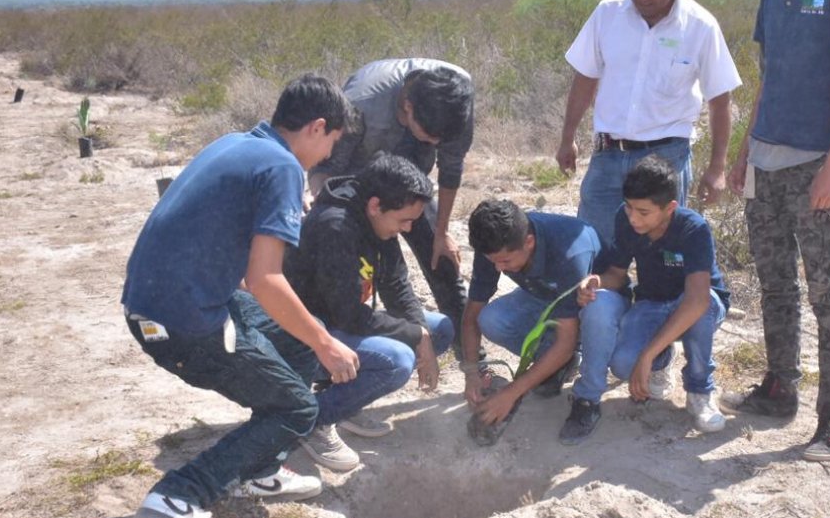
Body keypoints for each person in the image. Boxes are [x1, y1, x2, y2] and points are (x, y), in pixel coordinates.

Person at [122, 74, 357, 518]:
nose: (329, 155)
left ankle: (260, 471)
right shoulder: (283, 168)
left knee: (298, 341)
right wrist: (329, 344)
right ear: (316, 127)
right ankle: (178, 496)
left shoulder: (238, 143)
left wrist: (314, 338)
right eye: (332, 141)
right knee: (297, 406)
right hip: (181, 320)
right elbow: (265, 281)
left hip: (162, 299)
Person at [725, 0, 830, 463]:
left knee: (826, 293)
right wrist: (745, 153)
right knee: (775, 285)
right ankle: (778, 388)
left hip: (814, 165)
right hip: (764, 165)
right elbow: (768, 80)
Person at [556, 0, 742, 245]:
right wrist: (567, 138)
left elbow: (720, 99)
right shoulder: (607, 14)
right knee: (594, 247)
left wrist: (717, 167)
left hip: (668, 156)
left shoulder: (700, 26)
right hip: (608, 153)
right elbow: (585, 79)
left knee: (664, 253)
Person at [284, 154, 455, 471]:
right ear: (376, 205)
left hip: (342, 320)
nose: (408, 228)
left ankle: (345, 399)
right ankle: (311, 421)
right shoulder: (334, 228)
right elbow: (347, 314)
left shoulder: (376, 220)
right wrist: (414, 335)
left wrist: (423, 334)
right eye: (404, 220)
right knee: (396, 362)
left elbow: (397, 285)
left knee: (440, 329)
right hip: (307, 335)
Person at [311, 59, 477, 361]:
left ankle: (472, 360)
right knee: (373, 270)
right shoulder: (360, 105)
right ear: (408, 108)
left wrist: (441, 232)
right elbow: (326, 168)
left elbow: (451, 170)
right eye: (429, 136)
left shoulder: (457, 95)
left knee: (442, 261)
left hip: (413, 186)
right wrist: (335, 221)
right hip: (360, 187)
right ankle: (342, 355)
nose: (436, 143)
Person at [570, 156, 729, 444]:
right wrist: (597, 281)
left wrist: (646, 355)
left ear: (670, 208)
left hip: (698, 303)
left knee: (699, 315)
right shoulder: (625, 218)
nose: (633, 218)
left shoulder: (693, 229)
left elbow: (697, 300)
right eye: (629, 207)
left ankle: (700, 391)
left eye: (643, 212)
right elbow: (618, 274)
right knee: (622, 366)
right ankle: (663, 358)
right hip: (652, 302)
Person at [459, 199, 625, 440]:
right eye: (492, 261)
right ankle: (557, 366)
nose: (497, 268)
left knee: (595, 311)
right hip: (547, 296)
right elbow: (472, 313)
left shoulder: (569, 252)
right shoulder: (496, 244)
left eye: (505, 262)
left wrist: (511, 393)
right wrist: (472, 373)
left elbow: (565, 343)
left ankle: (587, 398)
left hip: (596, 302)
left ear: (529, 242)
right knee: (492, 319)